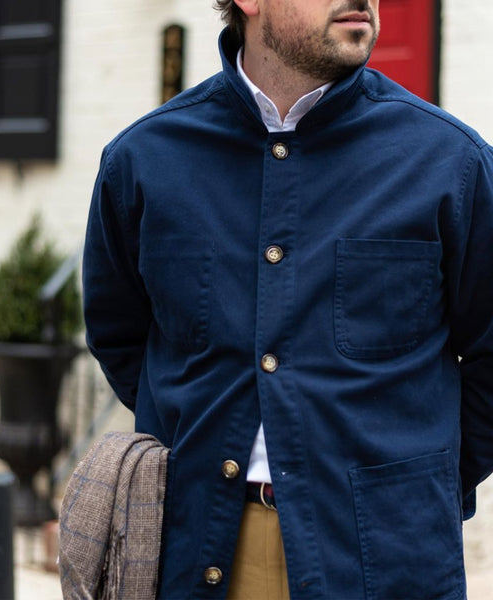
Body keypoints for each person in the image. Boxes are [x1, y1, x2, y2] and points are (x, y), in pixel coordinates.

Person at [82, 0, 493, 597]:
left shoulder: (450, 162)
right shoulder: (144, 162)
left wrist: (415, 484)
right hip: (198, 553)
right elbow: (121, 339)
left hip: (386, 559)